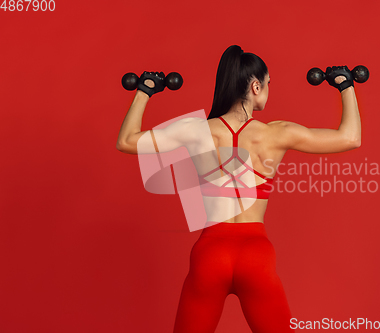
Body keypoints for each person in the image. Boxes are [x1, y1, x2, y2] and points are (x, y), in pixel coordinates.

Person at [116, 45, 361, 333]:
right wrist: (345, 84)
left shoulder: (197, 131)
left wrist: (145, 89)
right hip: (255, 254)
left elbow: (127, 141)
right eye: (268, 84)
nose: (269, 89)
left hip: (210, 253)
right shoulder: (276, 133)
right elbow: (350, 138)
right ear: (256, 86)